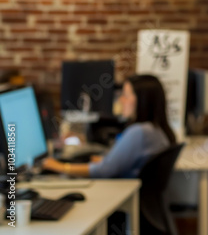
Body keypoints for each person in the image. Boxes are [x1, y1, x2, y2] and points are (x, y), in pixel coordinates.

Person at [43, 74, 176, 178]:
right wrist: (105, 159)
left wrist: (59, 166)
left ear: (142, 100)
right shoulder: (155, 130)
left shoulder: (139, 132)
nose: (121, 100)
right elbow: (119, 162)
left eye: (126, 95)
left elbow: (104, 171)